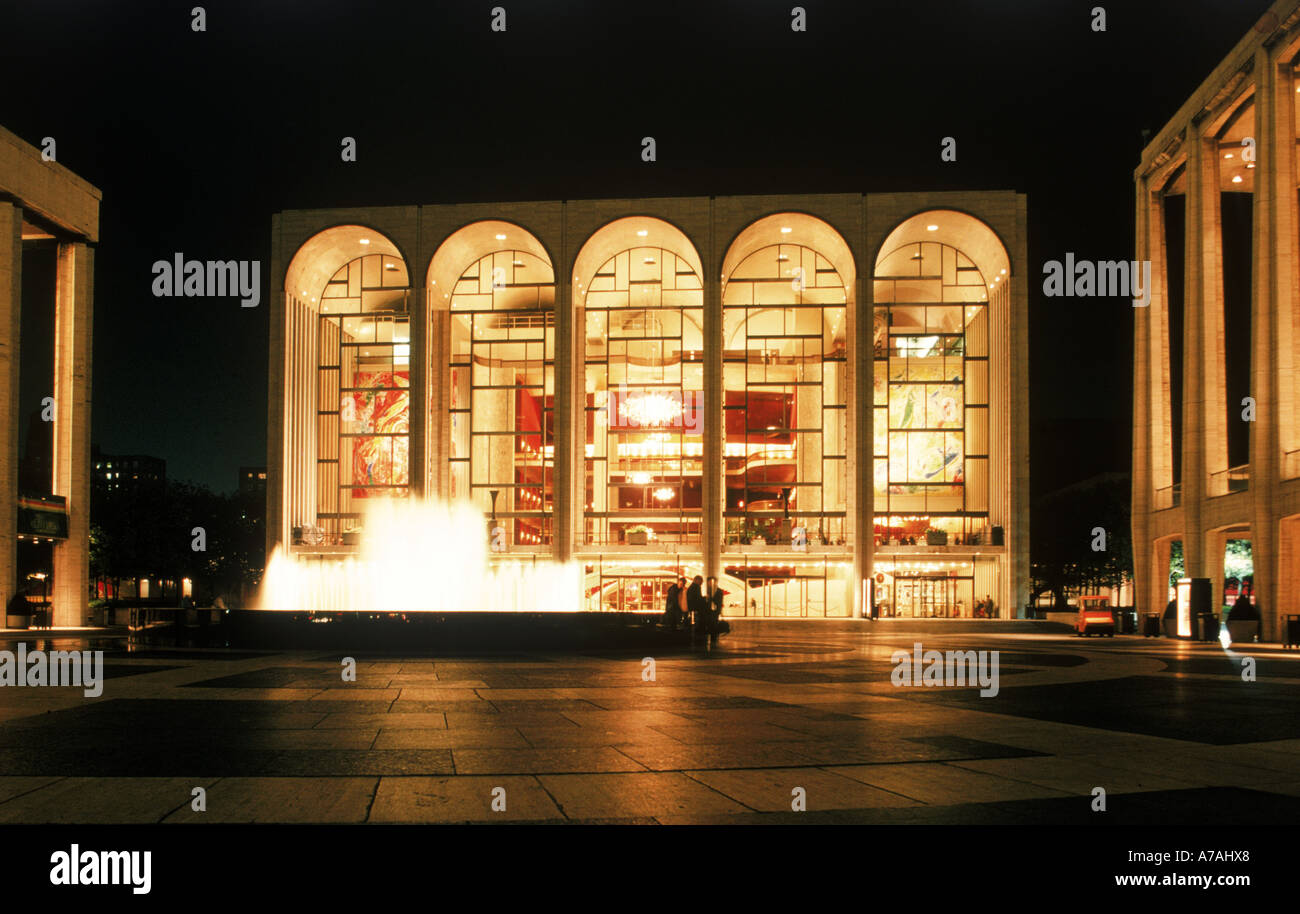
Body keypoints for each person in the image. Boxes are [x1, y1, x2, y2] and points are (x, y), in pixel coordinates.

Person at [704, 576, 727, 648]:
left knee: (713, 623)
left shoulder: (718, 591)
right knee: (712, 623)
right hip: (711, 611)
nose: (710, 583)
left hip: (715, 611)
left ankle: (714, 637)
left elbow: (718, 601)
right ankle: (713, 637)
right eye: (709, 582)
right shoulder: (710, 590)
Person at [686, 575, 707, 645]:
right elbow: (698, 599)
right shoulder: (696, 587)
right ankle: (696, 638)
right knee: (696, 624)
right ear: (697, 580)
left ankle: (693, 637)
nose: (702, 582)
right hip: (696, 609)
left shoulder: (690, 587)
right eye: (701, 581)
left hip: (691, 608)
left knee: (693, 624)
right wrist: (704, 598)